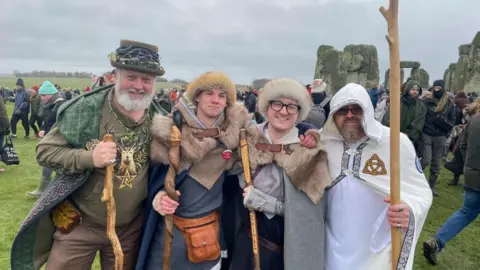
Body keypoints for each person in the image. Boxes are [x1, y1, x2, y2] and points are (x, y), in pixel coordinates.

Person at [11, 40, 167, 270]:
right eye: (131, 77)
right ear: (115, 75)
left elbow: (168, 170)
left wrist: (161, 192)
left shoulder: (161, 120)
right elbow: (44, 152)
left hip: (130, 229)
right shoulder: (86, 109)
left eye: (146, 80)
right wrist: (89, 158)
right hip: (80, 225)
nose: (139, 85)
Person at [320, 83, 433, 269]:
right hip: (330, 243)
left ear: (368, 111)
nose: (349, 115)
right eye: (342, 110)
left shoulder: (395, 143)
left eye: (357, 109)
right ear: (333, 114)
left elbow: (421, 192)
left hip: (376, 249)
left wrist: (409, 210)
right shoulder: (322, 142)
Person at [229, 78, 331, 270]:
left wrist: (268, 204)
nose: (283, 111)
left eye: (291, 107)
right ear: (267, 108)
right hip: (245, 243)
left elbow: (310, 213)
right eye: (277, 104)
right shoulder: (247, 138)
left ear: (298, 113)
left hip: (284, 250)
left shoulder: (308, 151)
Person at [423, 111, 480, 265]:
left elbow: (462, 144)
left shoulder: (475, 118)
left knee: (465, 212)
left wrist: (470, 163)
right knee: (466, 212)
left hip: (472, 173)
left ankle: (437, 241)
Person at [26, 81, 65, 197]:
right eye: (40, 95)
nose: (41, 98)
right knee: (48, 162)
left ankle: (49, 190)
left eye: (43, 95)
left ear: (51, 94)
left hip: (59, 140)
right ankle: (45, 189)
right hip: (51, 138)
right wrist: (43, 128)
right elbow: (47, 119)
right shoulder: (50, 105)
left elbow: (61, 124)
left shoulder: (60, 105)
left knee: (54, 164)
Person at [421, 79, 456, 196]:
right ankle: (416, 181)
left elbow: (453, 120)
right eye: (435, 88)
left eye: (438, 88)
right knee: (425, 160)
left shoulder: (449, 103)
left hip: (440, 136)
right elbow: (422, 117)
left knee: (436, 162)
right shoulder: (426, 101)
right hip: (427, 134)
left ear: (443, 88)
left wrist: (445, 132)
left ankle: (432, 186)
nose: (436, 90)